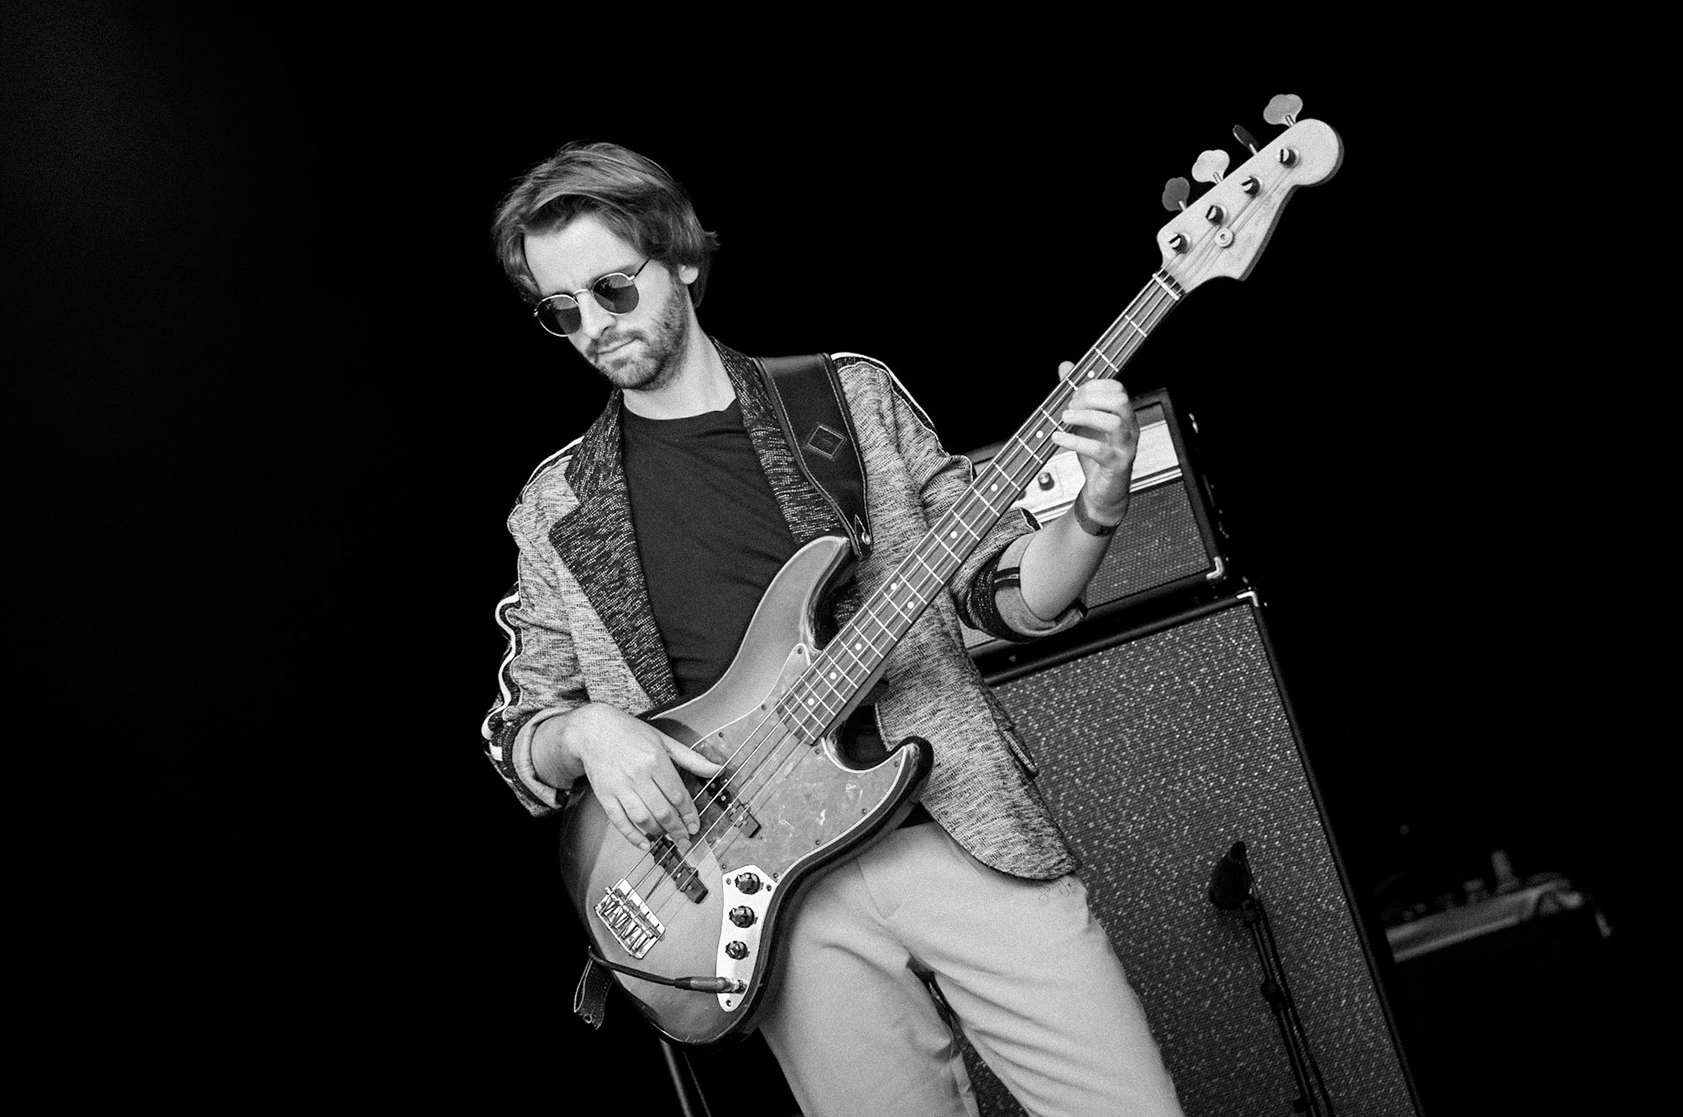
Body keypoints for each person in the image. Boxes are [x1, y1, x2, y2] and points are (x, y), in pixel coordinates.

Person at [481, 141, 1185, 1117]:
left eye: (611, 288)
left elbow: (1002, 591)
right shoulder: (558, 504)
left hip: (953, 824)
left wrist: (1096, 508)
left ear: (681, 256)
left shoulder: (842, 397)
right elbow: (521, 728)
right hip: (767, 902)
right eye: (562, 310)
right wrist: (587, 732)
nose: (593, 326)